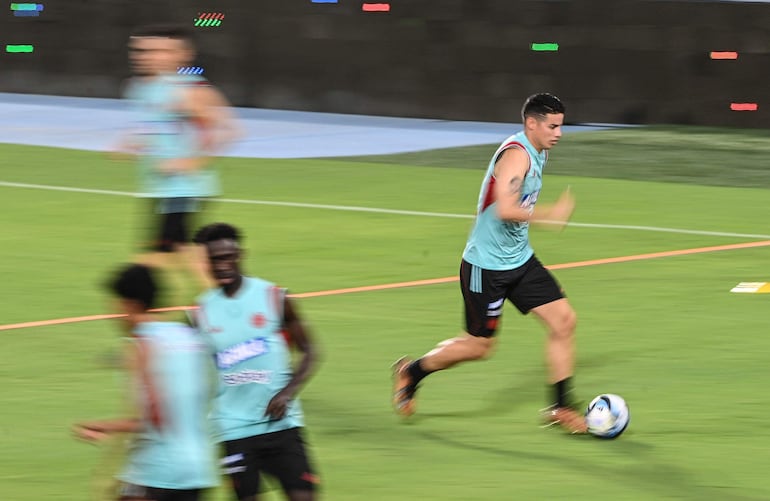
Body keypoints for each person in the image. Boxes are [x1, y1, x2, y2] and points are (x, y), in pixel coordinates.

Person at [392, 93, 588, 434]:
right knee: (479, 347)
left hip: (519, 260)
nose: (559, 133)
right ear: (531, 123)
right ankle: (413, 372)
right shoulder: (516, 156)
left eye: (561, 126)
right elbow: (505, 208)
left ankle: (560, 406)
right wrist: (551, 214)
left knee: (564, 321)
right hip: (486, 268)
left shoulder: (538, 151)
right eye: (553, 126)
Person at [193, 223, 321, 501]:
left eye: (228, 257)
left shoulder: (274, 297)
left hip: (282, 426)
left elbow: (311, 350)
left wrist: (288, 392)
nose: (223, 265)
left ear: (241, 255)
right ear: (207, 263)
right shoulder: (200, 313)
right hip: (233, 429)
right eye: (215, 260)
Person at [73, 264, 218, 500]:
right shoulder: (188, 337)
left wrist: (105, 427)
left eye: (116, 303)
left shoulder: (142, 345)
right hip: (198, 469)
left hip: (157, 471)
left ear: (129, 305)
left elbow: (152, 417)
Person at [116, 24, 241, 298]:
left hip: (184, 189)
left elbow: (226, 129)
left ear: (181, 55)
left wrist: (192, 162)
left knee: (154, 258)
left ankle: (138, 309)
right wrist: (132, 143)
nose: (145, 55)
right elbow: (154, 128)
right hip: (161, 188)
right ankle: (226, 305)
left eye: (157, 50)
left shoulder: (186, 91)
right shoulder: (140, 88)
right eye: (140, 50)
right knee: (188, 257)